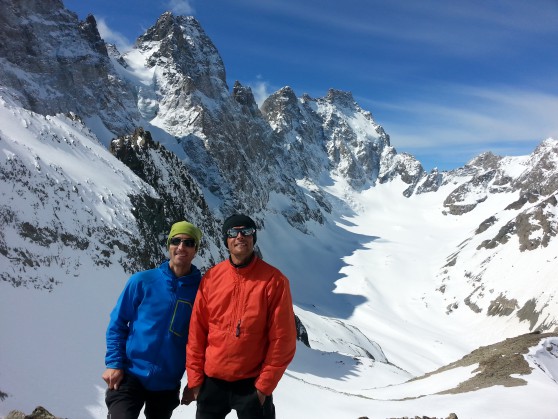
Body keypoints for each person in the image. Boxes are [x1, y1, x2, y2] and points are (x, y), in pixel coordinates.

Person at [182, 214, 297, 419]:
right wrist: (196, 381)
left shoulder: (274, 281)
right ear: (226, 240)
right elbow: (197, 332)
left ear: (254, 237)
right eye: (233, 232)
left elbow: (283, 339)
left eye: (246, 231)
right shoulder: (211, 278)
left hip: (252, 384)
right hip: (212, 382)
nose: (240, 236)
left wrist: (263, 388)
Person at [103, 220, 203, 419]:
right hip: (130, 374)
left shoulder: (202, 291)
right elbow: (118, 323)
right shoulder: (142, 281)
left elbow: (203, 341)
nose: (181, 247)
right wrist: (114, 363)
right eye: (176, 241)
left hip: (167, 382)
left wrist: (194, 382)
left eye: (189, 243)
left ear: (196, 250)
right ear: (168, 245)